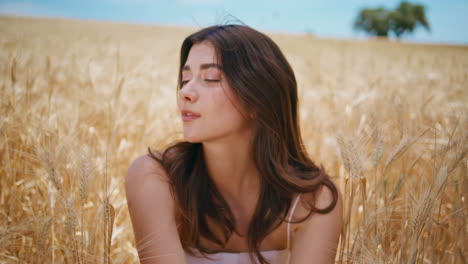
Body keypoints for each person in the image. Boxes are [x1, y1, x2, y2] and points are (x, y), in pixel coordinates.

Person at [125, 24, 343, 264]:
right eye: (185, 79)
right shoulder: (155, 178)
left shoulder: (314, 201)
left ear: (258, 99)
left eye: (211, 78)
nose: (185, 92)